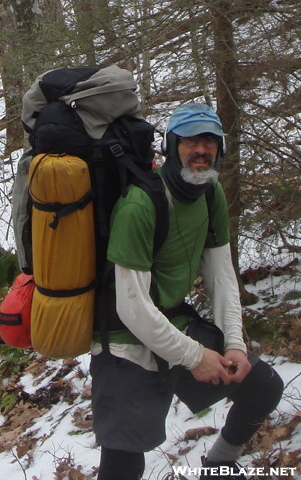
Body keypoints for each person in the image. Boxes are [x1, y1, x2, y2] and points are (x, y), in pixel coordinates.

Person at [89, 103, 284, 480]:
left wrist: (234, 345)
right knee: (125, 458)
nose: (201, 149)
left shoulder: (210, 194)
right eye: (191, 139)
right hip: (122, 336)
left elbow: (222, 277)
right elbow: (131, 306)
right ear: (172, 145)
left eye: (210, 141)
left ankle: (219, 466)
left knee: (261, 387)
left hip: (172, 321)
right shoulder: (140, 204)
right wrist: (194, 357)